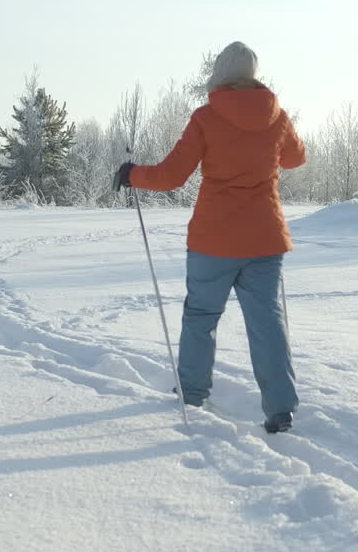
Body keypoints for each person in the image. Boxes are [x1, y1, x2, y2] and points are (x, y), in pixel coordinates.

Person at [113, 41, 306, 433]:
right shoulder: (278, 116)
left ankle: (193, 393)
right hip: (265, 240)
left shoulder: (206, 117)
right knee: (267, 321)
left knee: (201, 316)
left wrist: (132, 173)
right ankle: (281, 408)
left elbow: (171, 177)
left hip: (213, 240)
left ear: (219, 75)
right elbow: (295, 158)